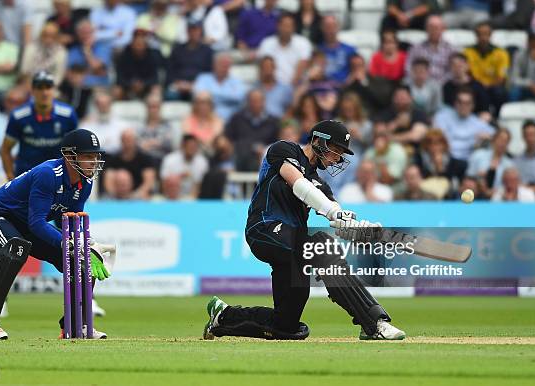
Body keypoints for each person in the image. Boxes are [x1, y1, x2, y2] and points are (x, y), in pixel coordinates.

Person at [203, 120, 405, 342]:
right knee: (321, 247)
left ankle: (223, 316)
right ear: (317, 140)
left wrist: (357, 227)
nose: (337, 158)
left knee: (286, 327)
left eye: (340, 153)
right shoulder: (283, 150)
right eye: (335, 150)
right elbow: (299, 184)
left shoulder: (321, 184)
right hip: (264, 228)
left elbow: (334, 213)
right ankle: (374, 323)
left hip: (292, 247)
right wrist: (333, 213)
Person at [0, 128, 114, 340]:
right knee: (15, 248)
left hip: (25, 224)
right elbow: (37, 223)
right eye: (87, 156)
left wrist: (82, 245)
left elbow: (69, 221)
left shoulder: (85, 182)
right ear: (70, 156)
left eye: (95, 156)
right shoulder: (48, 174)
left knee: (81, 259)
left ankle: (75, 326)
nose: (94, 162)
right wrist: (69, 243)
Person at [0, 72, 78, 180]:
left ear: (54, 90)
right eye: (40, 88)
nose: (44, 92)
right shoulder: (19, 116)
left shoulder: (68, 114)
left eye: (48, 87)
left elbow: (75, 148)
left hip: (58, 178)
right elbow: (5, 149)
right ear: (32, 91)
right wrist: (10, 176)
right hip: (26, 177)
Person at [225, 89, 280, 171]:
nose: (255, 104)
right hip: (240, 157)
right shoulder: (237, 118)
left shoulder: (273, 121)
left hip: (266, 159)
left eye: (258, 101)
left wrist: (265, 149)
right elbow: (228, 138)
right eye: (252, 101)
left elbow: (277, 142)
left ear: (264, 102)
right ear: (247, 102)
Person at [433, 87, 494, 161]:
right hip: (447, 157)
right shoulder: (442, 117)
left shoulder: (477, 122)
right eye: (460, 102)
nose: (463, 106)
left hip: (469, 160)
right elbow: (438, 139)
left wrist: (487, 137)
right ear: (455, 103)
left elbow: (495, 135)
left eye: (467, 103)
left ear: (473, 105)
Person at [463, 22, 510, 114]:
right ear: (476, 36)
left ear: (490, 35)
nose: (483, 38)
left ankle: (497, 116)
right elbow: (468, 73)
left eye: (486, 34)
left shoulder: (501, 53)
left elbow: (502, 77)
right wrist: (481, 86)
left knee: (499, 92)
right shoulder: (467, 52)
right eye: (480, 34)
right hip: (476, 86)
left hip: (494, 86)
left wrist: (488, 85)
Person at [257, 13, 312, 85]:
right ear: (278, 26)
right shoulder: (266, 43)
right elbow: (262, 69)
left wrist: (289, 89)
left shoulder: (303, 43)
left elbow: (302, 68)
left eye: (289, 26)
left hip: (295, 86)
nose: (286, 29)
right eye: (284, 26)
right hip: (271, 86)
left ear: (294, 28)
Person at [102, 129, 156, 200]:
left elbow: (149, 182)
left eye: (130, 140)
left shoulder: (145, 159)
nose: (127, 143)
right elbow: (108, 182)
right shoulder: (113, 159)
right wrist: (114, 195)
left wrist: (135, 195)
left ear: (135, 141)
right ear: (121, 141)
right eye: (125, 140)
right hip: (117, 196)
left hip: (138, 195)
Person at [166, 21, 213, 101]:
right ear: (187, 31)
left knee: (202, 97)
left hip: (198, 86)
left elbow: (209, 73)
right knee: (170, 95)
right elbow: (170, 71)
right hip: (178, 86)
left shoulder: (207, 51)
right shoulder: (177, 50)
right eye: (191, 30)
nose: (194, 33)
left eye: (196, 30)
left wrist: (194, 85)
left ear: (200, 32)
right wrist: (178, 83)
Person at [413, 128, 467, 198]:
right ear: (426, 146)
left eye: (438, 144)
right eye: (431, 144)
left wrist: (440, 167)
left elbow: (451, 182)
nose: (434, 147)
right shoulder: (419, 161)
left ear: (444, 145)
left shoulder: (456, 163)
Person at [193, 53, 248, 121]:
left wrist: (210, 97)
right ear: (214, 65)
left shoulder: (236, 82)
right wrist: (229, 99)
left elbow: (239, 98)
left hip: (231, 122)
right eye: (221, 64)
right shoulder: (203, 78)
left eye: (226, 65)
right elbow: (199, 96)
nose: (223, 67)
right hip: (207, 119)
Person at [114, 29, 164, 100]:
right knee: (117, 91)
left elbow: (154, 77)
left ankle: (153, 108)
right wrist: (132, 84)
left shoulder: (153, 55)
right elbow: (119, 78)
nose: (139, 47)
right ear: (132, 43)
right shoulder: (124, 55)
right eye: (137, 44)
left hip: (146, 86)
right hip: (128, 86)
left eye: (141, 44)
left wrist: (143, 84)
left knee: (156, 89)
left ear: (146, 44)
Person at [406, 15, 457, 83]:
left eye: (436, 28)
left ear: (443, 29)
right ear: (426, 29)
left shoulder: (451, 49)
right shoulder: (416, 48)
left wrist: (439, 83)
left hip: (443, 85)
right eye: (430, 27)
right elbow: (408, 67)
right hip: (420, 85)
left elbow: (453, 71)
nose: (433, 30)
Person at [160, 135, 209, 200]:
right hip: (172, 197)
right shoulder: (170, 159)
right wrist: (179, 177)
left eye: (195, 147)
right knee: (172, 180)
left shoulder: (202, 161)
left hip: (194, 197)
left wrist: (193, 198)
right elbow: (164, 182)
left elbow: (201, 184)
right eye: (190, 146)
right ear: (183, 146)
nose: (192, 149)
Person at [442, 53, 490, 118]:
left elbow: (485, 110)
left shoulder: (477, 86)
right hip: (453, 120)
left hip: (475, 120)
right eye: (454, 65)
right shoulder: (446, 87)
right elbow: (445, 109)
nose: (457, 68)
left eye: (460, 65)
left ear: (467, 66)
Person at [67, 20, 113, 88]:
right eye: (83, 32)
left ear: (94, 33)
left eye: (89, 32)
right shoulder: (74, 51)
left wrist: (87, 51)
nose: (86, 36)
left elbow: (97, 67)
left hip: (100, 86)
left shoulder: (103, 47)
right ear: (78, 34)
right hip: (78, 87)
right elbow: (69, 73)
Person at [20, 22, 68, 86]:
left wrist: (46, 87)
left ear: (57, 37)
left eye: (52, 36)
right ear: (41, 35)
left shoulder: (61, 52)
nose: (48, 40)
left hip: (50, 86)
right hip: (29, 85)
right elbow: (24, 70)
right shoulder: (31, 48)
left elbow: (59, 75)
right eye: (45, 36)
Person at [318, 15, 357, 85]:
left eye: (333, 26)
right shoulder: (317, 51)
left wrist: (346, 85)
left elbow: (356, 71)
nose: (330, 29)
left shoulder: (350, 50)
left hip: (344, 88)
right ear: (322, 28)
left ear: (338, 27)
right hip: (322, 88)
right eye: (327, 26)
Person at [509, 32, 535, 103]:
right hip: (524, 88)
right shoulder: (518, 55)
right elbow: (514, 79)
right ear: (528, 42)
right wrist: (530, 84)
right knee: (514, 92)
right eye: (532, 41)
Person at [515, 121, 535, 199]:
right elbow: (516, 184)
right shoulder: (516, 160)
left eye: (533, 135)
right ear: (523, 137)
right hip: (523, 197)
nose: (530, 139)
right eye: (528, 135)